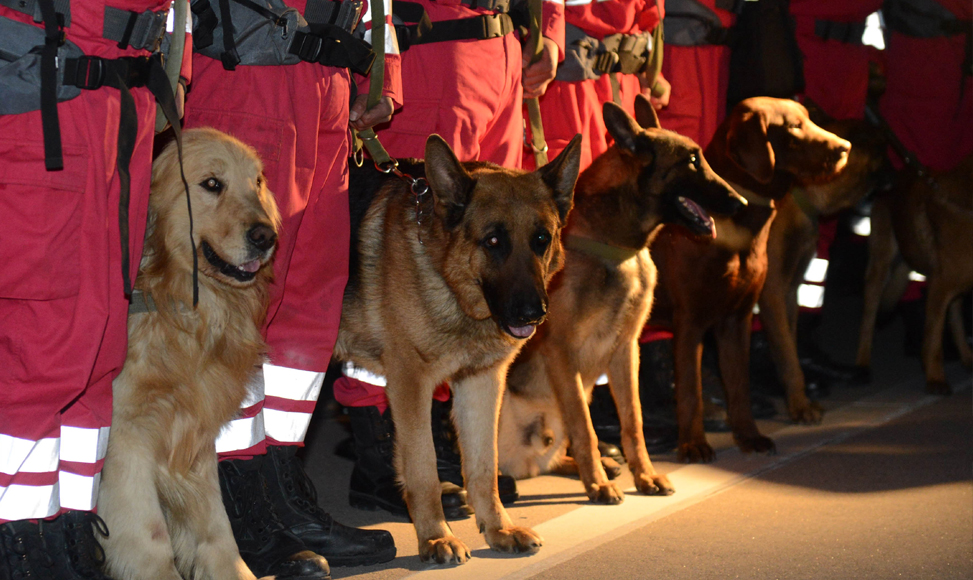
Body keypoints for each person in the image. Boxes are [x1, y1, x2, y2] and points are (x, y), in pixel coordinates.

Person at [181, 0, 403, 575]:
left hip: (325, 89)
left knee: (308, 308)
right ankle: (231, 506)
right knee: (231, 314)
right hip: (244, 79)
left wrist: (382, 71)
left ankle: (278, 490)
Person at [331, 0, 566, 516]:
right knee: (413, 281)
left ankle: (451, 451)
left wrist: (549, 31)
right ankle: (383, 459)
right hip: (434, 53)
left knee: (495, 257)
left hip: (505, 52)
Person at [0, 0, 180, 577]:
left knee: (98, 351)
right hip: (41, 92)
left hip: (117, 96)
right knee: (38, 348)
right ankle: (20, 549)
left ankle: (71, 536)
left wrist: (172, 66)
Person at [524, 0, 667, 172]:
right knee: (563, 187)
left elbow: (647, 11)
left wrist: (650, 70)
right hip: (565, 88)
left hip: (623, 84)